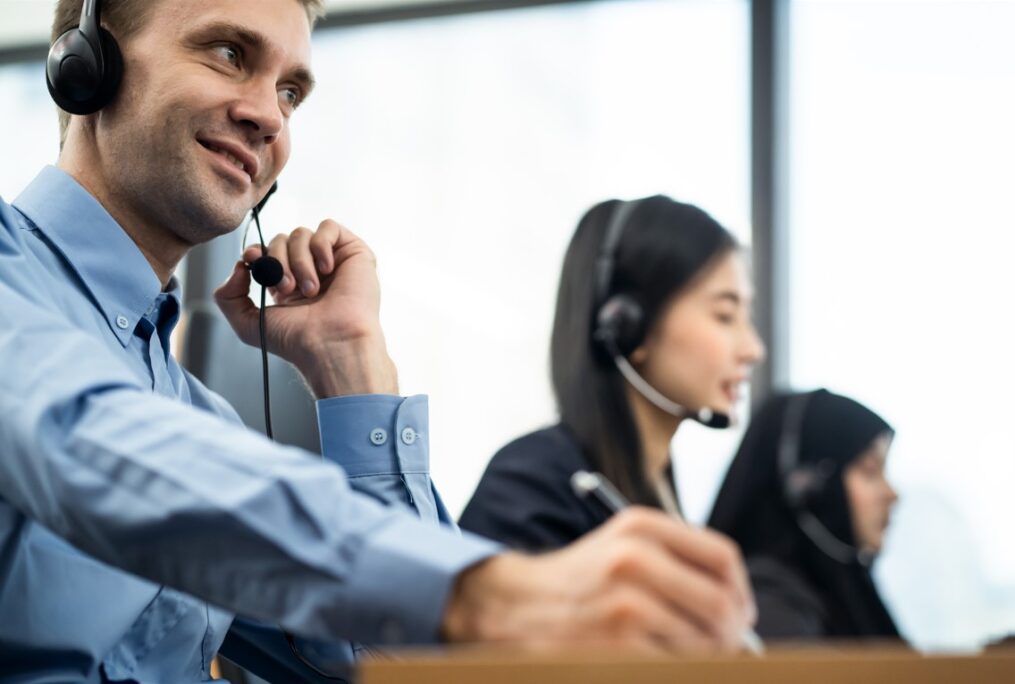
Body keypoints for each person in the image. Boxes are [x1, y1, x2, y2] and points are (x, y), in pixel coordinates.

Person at [0, 0, 757, 680]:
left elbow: (388, 665)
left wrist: (351, 363)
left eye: (290, 92)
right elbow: (88, 436)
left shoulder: (200, 423)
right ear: (86, 64)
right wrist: (486, 589)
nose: (269, 116)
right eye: (229, 54)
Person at [460, 195, 765, 549]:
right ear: (626, 324)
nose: (753, 349)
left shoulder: (657, 490)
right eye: (724, 316)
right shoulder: (533, 486)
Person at [706, 389, 903, 641]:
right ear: (807, 488)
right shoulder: (769, 603)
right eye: (870, 471)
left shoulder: (847, 591)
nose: (892, 493)